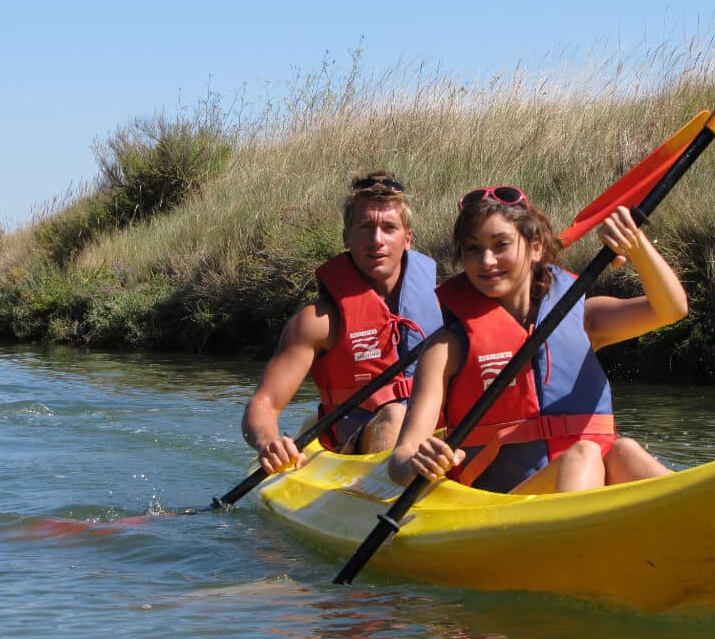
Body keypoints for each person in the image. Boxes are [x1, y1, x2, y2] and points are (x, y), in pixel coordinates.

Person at [388, 185, 688, 495]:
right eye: (473, 248)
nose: (486, 260)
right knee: (583, 455)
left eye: (500, 244)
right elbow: (399, 462)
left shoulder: (583, 319)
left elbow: (671, 310)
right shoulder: (446, 348)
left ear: (535, 247)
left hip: (582, 492)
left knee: (624, 451)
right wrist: (417, 463)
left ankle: (698, 515)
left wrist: (636, 246)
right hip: (502, 505)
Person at [242, 172, 443, 475]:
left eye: (389, 228)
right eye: (365, 227)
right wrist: (269, 442)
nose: (377, 240)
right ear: (346, 236)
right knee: (395, 417)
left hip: (432, 433)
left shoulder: (444, 307)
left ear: (408, 237)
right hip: (357, 436)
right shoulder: (318, 321)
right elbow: (263, 404)